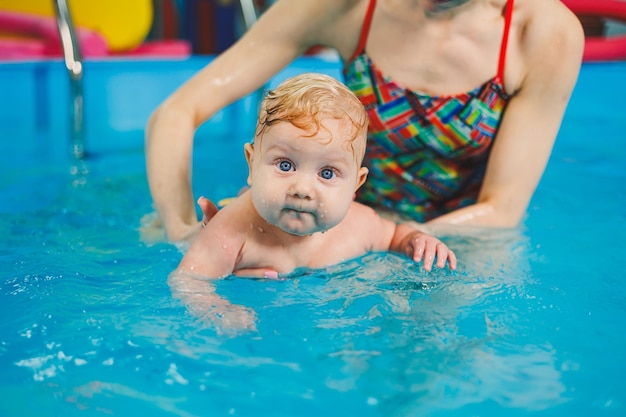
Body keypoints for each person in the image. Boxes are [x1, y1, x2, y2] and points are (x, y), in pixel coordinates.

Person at [146, 0, 584, 243]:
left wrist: (386, 242)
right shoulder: (346, 5)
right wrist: (182, 230)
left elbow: (502, 209)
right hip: (330, 217)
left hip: (458, 241)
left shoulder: (542, 35)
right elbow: (174, 114)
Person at [170, 73, 456, 330]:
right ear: (251, 163)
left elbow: (395, 235)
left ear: (356, 185)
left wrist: (416, 240)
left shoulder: (359, 225)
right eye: (285, 165)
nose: (303, 189)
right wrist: (218, 309)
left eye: (327, 173)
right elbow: (188, 282)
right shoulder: (231, 231)